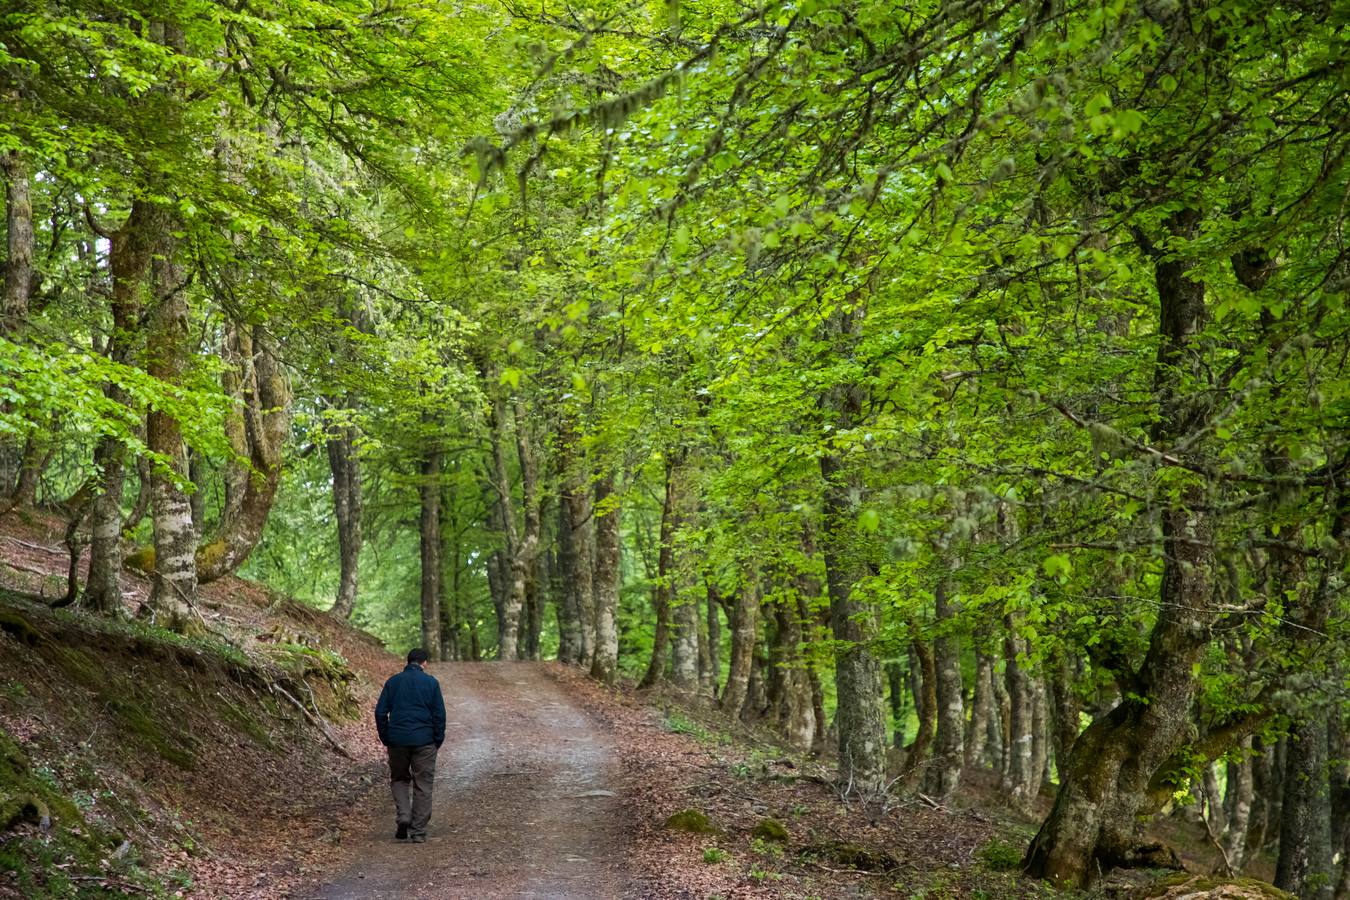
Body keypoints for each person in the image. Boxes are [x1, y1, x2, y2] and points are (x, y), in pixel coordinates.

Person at [373, 648, 445, 843]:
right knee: (423, 784)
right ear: (425, 663)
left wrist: (386, 736)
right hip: (425, 740)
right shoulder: (431, 683)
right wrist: (437, 739)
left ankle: (404, 815)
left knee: (399, 779)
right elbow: (439, 715)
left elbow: (380, 712)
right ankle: (418, 831)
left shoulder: (393, 682)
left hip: (397, 740)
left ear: (408, 662)